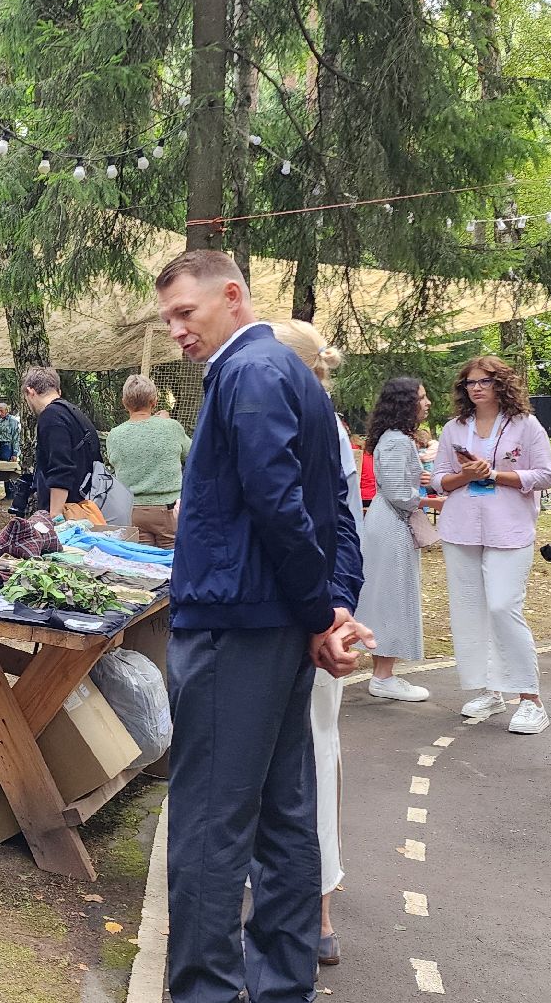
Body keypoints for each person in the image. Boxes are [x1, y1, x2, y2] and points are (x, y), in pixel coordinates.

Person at [153, 251, 368, 1003]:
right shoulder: (292, 375)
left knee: (211, 822)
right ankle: (281, 983)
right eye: (169, 319)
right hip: (270, 622)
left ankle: (207, 990)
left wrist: (321, 610)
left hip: (237, 627)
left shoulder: (247, 374)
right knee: (284, 814)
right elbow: (333, 507)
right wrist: (331, 606)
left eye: (186, 312)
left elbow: (284, 504)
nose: (177, 331)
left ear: (233, 296)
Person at [267, 318, 365, 965]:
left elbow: (329, 530)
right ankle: (302, 895)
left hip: (304, 621)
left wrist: (328, 613)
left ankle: (319, 904)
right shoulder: (317, 419)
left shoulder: (310, 423)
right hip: (307, 614)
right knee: (301, 754)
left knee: (310, 752)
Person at [430, 356, 551, 734]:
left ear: (502, 384)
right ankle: (489, 690)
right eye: (470, 383)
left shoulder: (526, 425)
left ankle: (530, 697)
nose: (477, 388)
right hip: (461, 528)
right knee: (470, 611)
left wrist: (495, 474)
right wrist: (462, 475)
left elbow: (546, 474)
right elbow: (438, 481)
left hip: (509, 529)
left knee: (503, 607)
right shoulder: (455, 428)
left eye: (485, 381)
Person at [357, 377, 443, 702]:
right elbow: (397, 492)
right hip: (391, 525)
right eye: (421, 397)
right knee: (392, 597)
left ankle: (385, 672)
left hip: (389, 522)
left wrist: (418, 478)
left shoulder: (394, 439)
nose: (427, 402)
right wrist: (432, 501)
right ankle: (383, 676)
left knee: (390, 595)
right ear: (406, 403)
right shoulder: (397, 441)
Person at [105, 373, 190, 549]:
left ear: (124, 403)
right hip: (168, 512)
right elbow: (191, 453)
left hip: (133, 511)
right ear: (154, 401)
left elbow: (115, 462)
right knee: (172, 563)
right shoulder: (171, 428)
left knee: (143, 563)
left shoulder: (115, 435)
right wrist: (167, 423)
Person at [20, 367, 105, 525]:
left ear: (30, 391)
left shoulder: (50, 417)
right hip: (86, 505)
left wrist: (55, 515)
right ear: (57, 390)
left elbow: (61, 467)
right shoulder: (74, 413)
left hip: (69, 513)